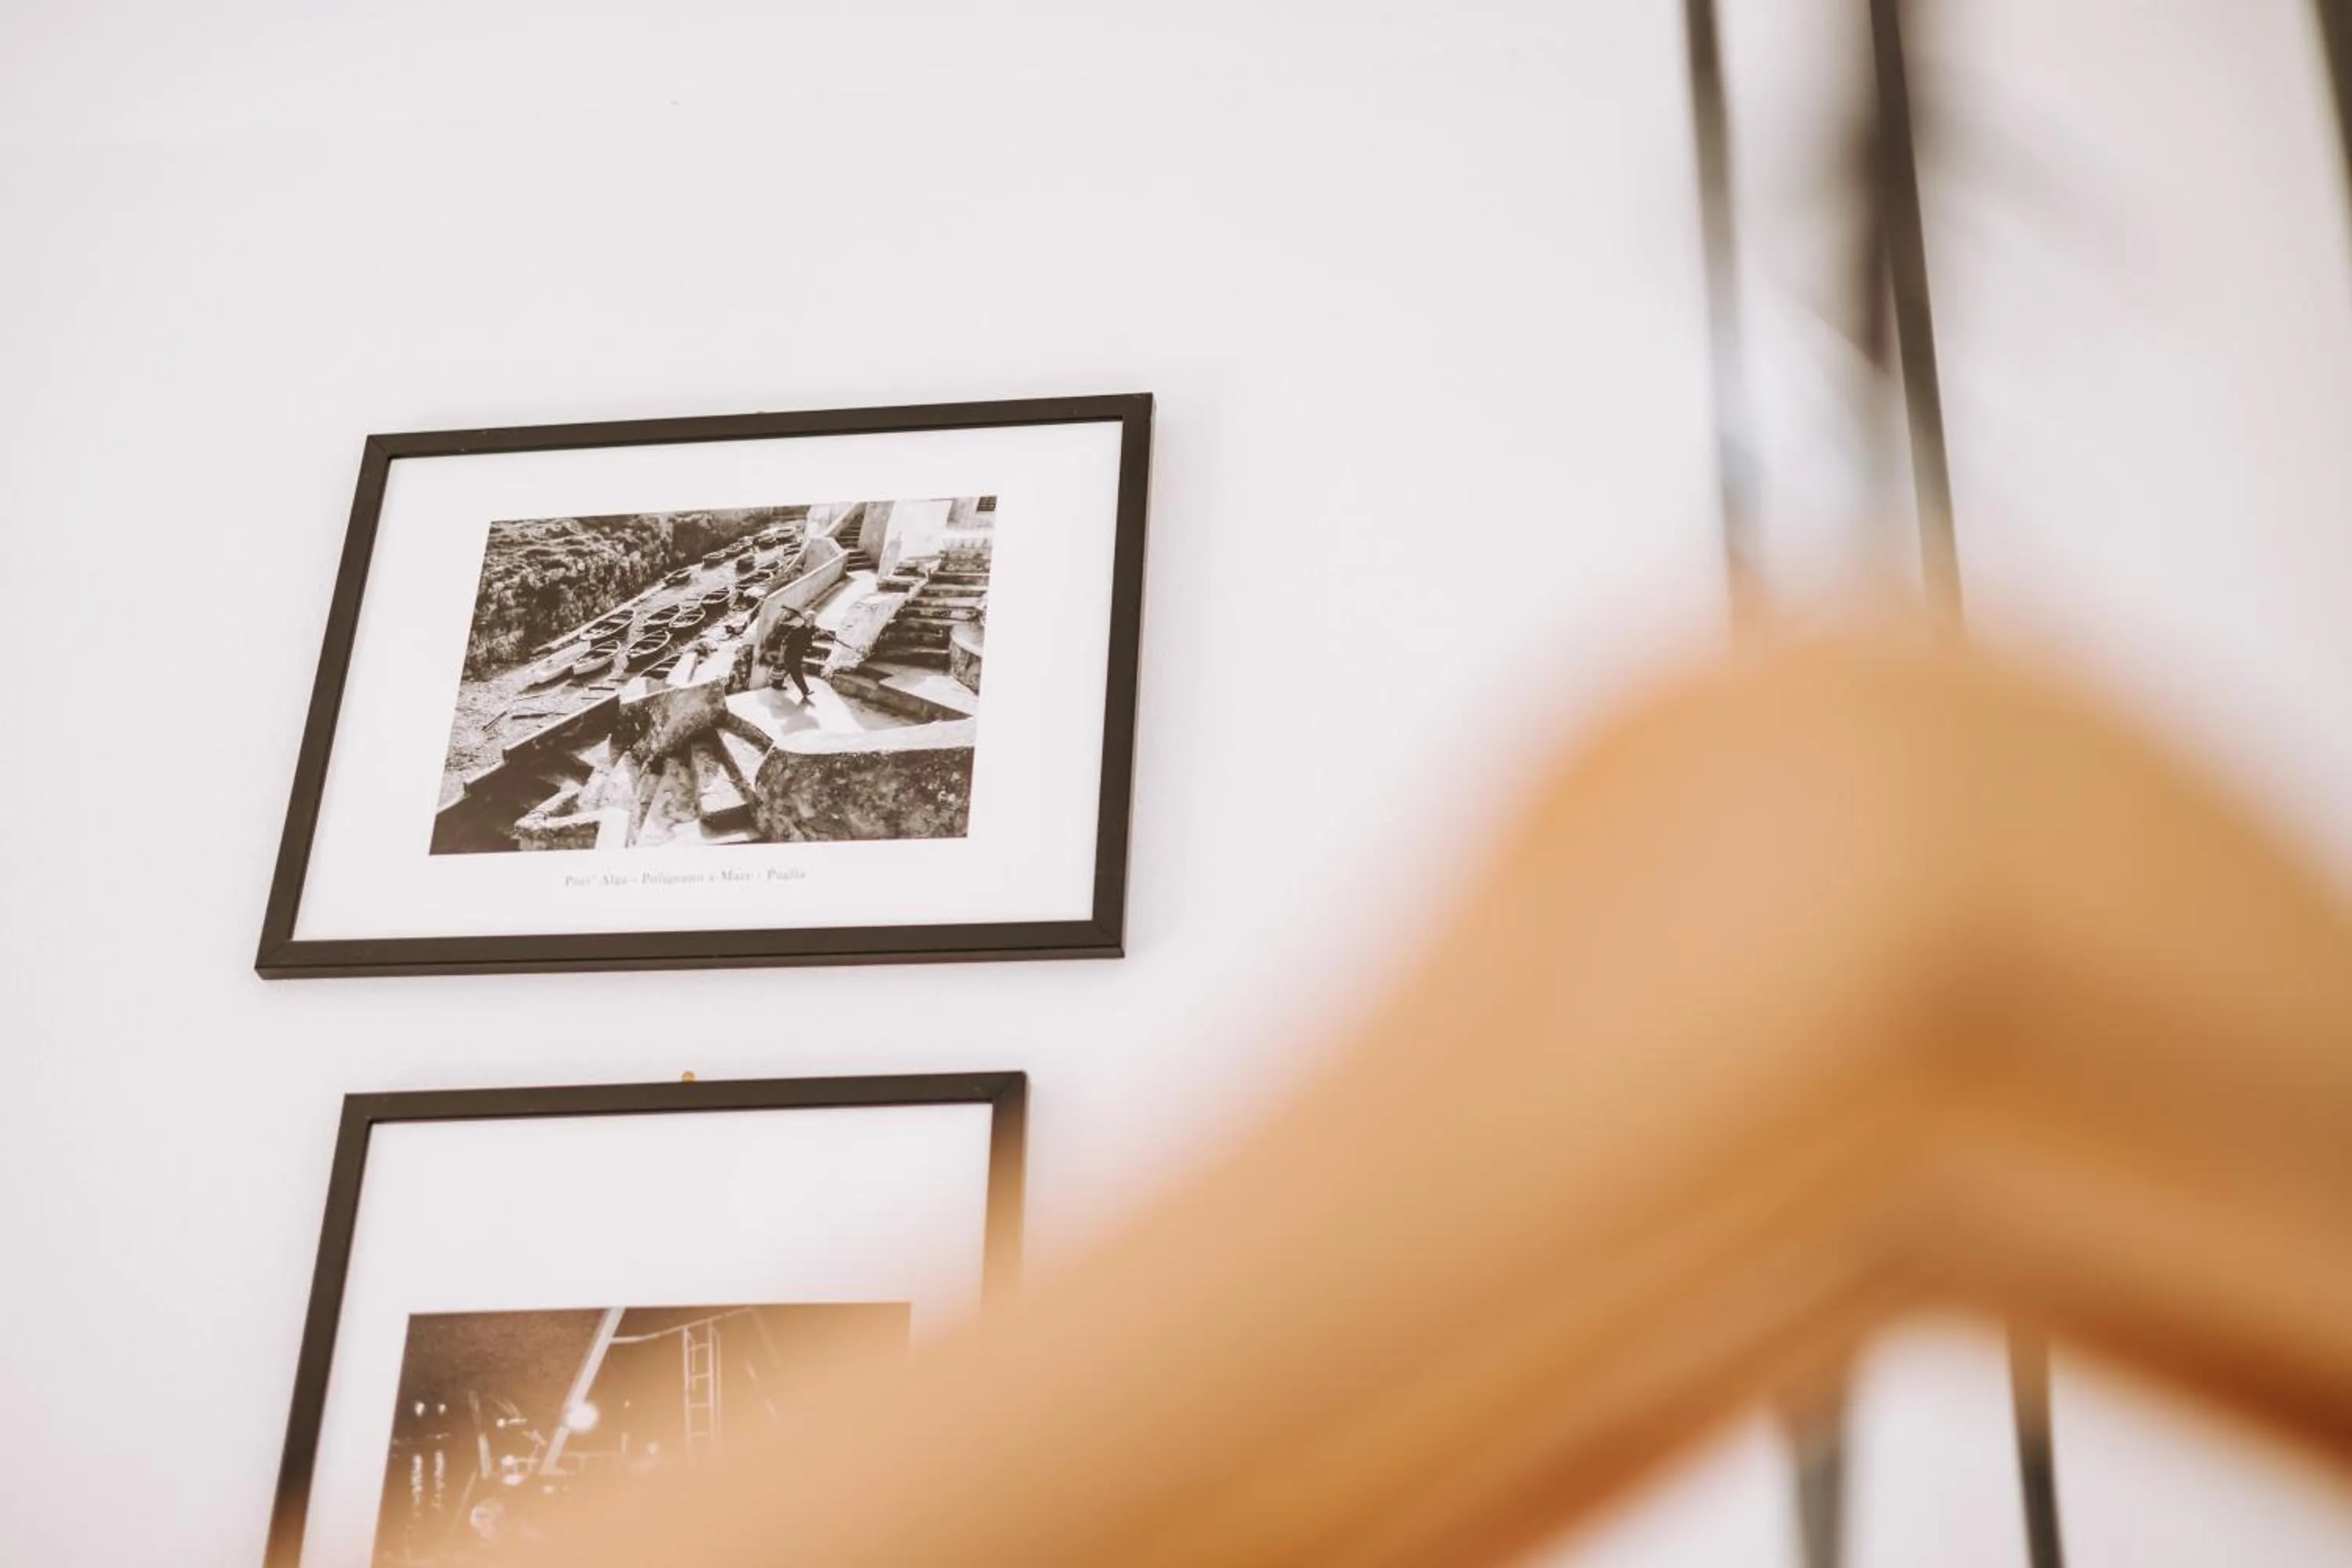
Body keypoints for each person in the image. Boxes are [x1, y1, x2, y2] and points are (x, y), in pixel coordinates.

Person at [771, 608, 818, 702]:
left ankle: (776, 685)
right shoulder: (797, 631)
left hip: (798, 655)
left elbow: (813, 633)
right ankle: (805, 691)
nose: (813, 621)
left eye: (814, 619)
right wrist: (782, 655)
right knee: (796, 673)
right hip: (790, 655)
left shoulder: (810, 629)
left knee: (788, 671)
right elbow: (785, 642)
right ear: (807, 620)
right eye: (811, 619)